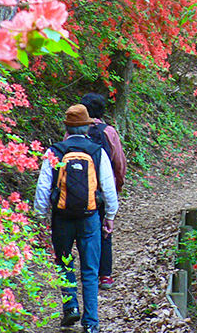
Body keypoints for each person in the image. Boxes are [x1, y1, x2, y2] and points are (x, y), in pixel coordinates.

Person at [35, 104, 119, 333]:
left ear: (66, 127)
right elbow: (108, 188)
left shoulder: (55, 151)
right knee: (90, 270)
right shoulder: (96, 151)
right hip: (89, 217)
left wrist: (41, 215)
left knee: (64, 263)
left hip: (61, 218)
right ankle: (91, 323)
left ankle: (71, 305)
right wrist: (110, 215)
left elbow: (43, 187)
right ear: (87, 127)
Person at [80, 93, 126, 290]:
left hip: (79, 190)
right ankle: (105, 275)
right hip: (102, 189)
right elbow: (119, 163)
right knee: (105, 231)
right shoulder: (109, 132)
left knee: (82, 230)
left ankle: (85, 272)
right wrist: (117, 187)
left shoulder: (73, 132)